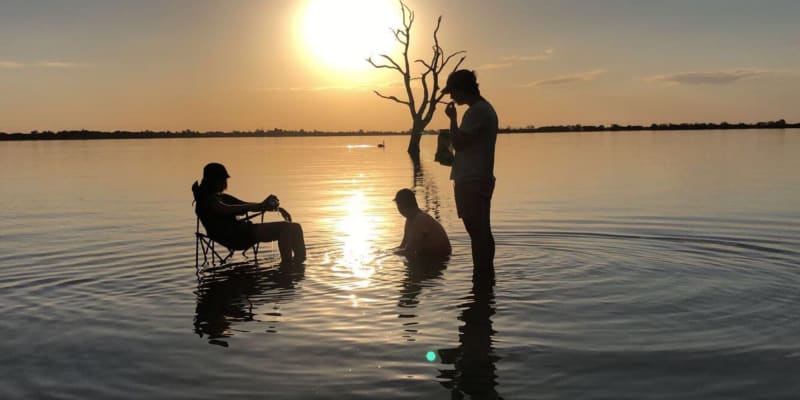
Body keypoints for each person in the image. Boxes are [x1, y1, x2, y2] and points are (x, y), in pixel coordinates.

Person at [192, 162, 306, 264]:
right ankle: (287, 268)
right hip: (236, 237)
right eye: (223, 180)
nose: (225, 183)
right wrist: (259, 206)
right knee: (285, 228)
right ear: (214, 180)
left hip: (243, 231)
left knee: (296, 227)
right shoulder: (206, 200)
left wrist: (275, 208)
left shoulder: (221, 197)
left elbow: (245, 205)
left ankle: (300, 264)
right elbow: (225, 209)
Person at [442, 70, 498, 270]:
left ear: (462, 89)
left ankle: (482, 274)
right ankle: (484, 276)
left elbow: (459, 143)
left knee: (477, 232)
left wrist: (452, 120)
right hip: (478, 177)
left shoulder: (476, 111)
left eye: (452, 91)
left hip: (472, 180)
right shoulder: (484, 109)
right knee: (481, 231)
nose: (451, 96)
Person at [393, 188, 452, 259]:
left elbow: (409, 251)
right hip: (428, 258)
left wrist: (387, 255)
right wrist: (386, 252)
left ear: (400, 206)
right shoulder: (410, 219)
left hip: (439, 259)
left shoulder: (420, 219)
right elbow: (402, 247)